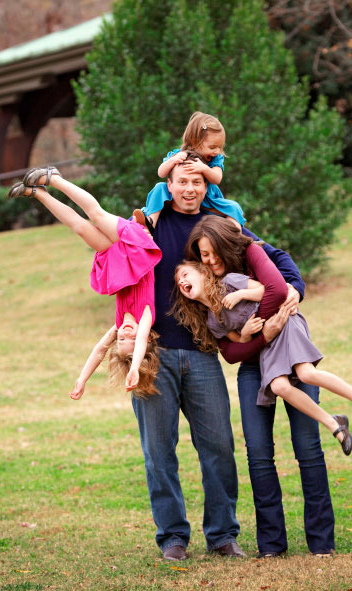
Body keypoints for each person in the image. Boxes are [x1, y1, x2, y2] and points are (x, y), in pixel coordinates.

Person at [128, 151, 303, 561]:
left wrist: (294, 284)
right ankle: (172, 537)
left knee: (220, 447)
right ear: (167, 185)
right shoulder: (148, 225)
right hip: (156, 352)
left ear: (207, 186)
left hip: (204, 353)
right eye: (181, 182)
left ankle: (223, 534)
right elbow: (118, 262)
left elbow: (267, 254)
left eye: (197, 182)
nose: (189, 189)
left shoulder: (220, 226)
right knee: (159, 451)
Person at [184, 216, 347, 558]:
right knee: (259, 455)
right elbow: (230, 352)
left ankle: (322, 541)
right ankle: (271, 545)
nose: (209, 261)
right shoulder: (205, 297)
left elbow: (279, 279)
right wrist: (263, 335)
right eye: (203, 256)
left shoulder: (247, 259)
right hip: (252, 369)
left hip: (289, 357)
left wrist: (292, 294)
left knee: (308, 449)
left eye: (213, 254)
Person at [171, 259, 352, 454]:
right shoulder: (213, 321)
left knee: (306, 373)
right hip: (269, 342)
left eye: (186, 274)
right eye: (178, 280)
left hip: (284, 322)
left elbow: (269, 291)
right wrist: (245, 334)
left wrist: (241, 294)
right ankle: (334, 424)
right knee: (279, 387)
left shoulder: (230, 282)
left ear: (203, 273)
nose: (182, 280)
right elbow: (238, 341)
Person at [7, 167, 161, 398]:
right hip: (135, 248)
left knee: (79, 228)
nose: (126, 333)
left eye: (121, 339)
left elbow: (100, 350)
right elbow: (139, 342)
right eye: (132, 337)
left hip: (116, 261)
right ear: (145, 337)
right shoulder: (146, 316)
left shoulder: (119, 324)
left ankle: (39, 194)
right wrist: (136, 367)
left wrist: (82, 379)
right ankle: (54, 178)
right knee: (96, 215)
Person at [137, 111, 245, 227]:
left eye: (220, 147)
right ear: (195, 142)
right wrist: (173, 160)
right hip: (181, 196)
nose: (217, 151)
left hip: (209, 198)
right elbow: (161, 173)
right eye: (212, 147)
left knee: (234, 207)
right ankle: (150, 222)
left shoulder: (215, 159)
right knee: (159, 188)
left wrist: (204, 169)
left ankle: (235, 235)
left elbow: (217, 178)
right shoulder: (178, 154)